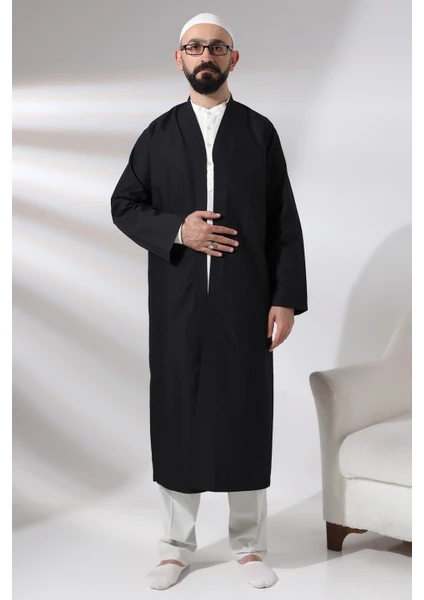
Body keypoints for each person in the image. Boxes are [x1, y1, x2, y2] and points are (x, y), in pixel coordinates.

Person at [110, 12, 308, 590]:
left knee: (245, 413)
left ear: (233, 59)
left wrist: (285, 298)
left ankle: (249, 545)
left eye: (217, 48)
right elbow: (125, 205)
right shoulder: (158, 135)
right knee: (178, 415)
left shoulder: (258, 133)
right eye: (195, 47)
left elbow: (283, 221)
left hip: (245, 302)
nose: (206, 56)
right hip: (178, 304)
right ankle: (174, 547)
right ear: (179, 59)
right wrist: (180, 230)